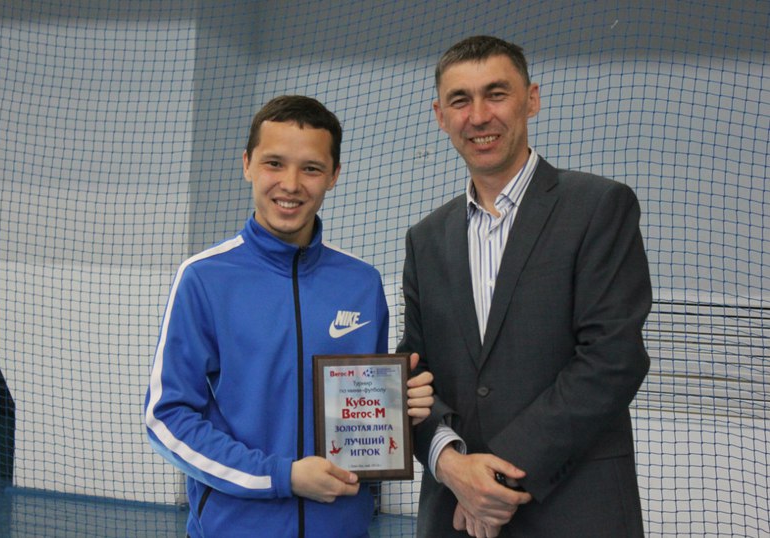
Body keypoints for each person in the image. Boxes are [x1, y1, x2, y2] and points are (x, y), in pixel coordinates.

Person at [145, 95, 434, 538]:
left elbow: (366, 414)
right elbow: (168, 417)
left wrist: (400, 407)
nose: (291, 184)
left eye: (311, 168)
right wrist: (281, 476)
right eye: (274, 163)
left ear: (334, 175)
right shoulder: (203, 278)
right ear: (247, 164)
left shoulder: (361, 282)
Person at [398, 36, 652, 537]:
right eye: (460, 100)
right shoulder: (426, 238)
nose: (479, 116)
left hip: (574, 512)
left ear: (531, 100)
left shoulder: (599, 207)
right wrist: (450, 464)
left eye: (496, 94)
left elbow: (613, 359)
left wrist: (491, 481)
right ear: (440, 116)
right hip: (455, 515)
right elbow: (414, 373)